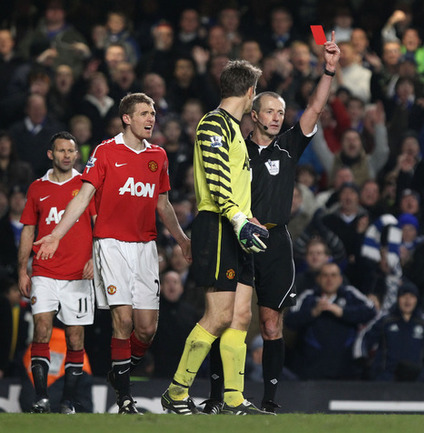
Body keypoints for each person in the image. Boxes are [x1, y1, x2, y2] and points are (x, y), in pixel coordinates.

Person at [203, 32, 340, 414]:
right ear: (253, 115)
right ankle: (218, 398)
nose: (277, 117)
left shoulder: (289, 146)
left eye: (281, 112)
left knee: (271, 325)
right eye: (270, 111)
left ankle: (270, 402)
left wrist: (328, 69)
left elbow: (314, 107)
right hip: (238, 238)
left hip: (276, 243)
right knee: (226, 319)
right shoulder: (237, 147)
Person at [34, 93, 192, 414]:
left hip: (146, 247)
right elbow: (82, 198)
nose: (151, 119)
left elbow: (162, 203)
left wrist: (182, 239)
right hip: (111, 244)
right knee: (122, 319)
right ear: (127, 118)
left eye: (152, 114)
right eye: (144, 114)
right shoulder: (106, 152)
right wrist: (55, 234)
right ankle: (125, 399)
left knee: (146, 329)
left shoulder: (158, 155)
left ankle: (117, 373)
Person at [161, 60, 267, 416]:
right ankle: (176, 392)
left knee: (239, 317)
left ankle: (234, 399)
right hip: (220, 225)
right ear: (250, 91)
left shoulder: (235, 127)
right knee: (218, 315)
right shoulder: (213, 123)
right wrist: (239, 219)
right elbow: (217, 177)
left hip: (238, 227)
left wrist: (247, 218)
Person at [17, 132, 95, 414]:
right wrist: (23, 271)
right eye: (60, 150)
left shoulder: (87, 186)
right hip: (44, 271)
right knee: (41, 330)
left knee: (76, 338)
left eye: (70, 151)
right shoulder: (37, 188)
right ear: (51, 154)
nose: (66, 155)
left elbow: (99, 224)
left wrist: (95, 260)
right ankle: (41, 398)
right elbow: (28, 229)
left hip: (78, 274)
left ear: (76, 154)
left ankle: (68, 402)